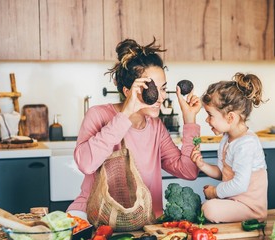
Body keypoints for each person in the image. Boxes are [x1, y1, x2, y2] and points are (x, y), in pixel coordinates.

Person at [67, 38, 202, 220]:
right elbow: (86, 164)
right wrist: (126, 114)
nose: (161, 97)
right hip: (95, 215)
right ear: (128, 90)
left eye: (163, 89)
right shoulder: (98, 115)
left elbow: (189, 171)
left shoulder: (156, 127)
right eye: (152, 89)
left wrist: (190, 120)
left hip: (142, 220)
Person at [191, 72, 268, 223]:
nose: (207, 120)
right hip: (234, 202)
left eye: (210, 114)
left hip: (250, 208)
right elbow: (224, 174)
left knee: (209, 208)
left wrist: (214, 192)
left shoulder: (246, 144)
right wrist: (202, 165)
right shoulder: (227, 139)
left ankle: (256, 216)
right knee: (207, 207)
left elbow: (239, 184)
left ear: (230, 117)